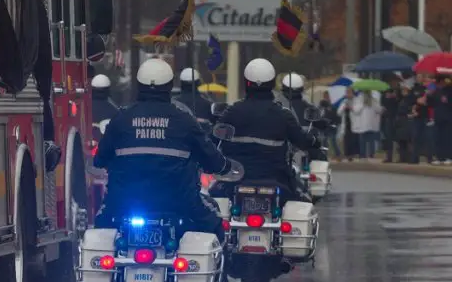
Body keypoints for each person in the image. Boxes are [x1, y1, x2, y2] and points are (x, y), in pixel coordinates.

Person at [94, 58, 233, 240]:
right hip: (179, 202)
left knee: (99, 229)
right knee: (216, 224)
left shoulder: (120, 119)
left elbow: (99, 160)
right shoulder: (185, 120)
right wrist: (224, 166)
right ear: (169, 86)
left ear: (139, 85)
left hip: (123, 201)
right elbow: (213, 160)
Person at [213, 58, 320, 203]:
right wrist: (313, 139)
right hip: (277, 181)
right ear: (271, 83)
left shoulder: (232, 112)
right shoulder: (283, 114)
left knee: (210, 200)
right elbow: (302, 141)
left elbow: (212, 139)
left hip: (234, 181)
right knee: (305, 203)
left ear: (246, 83)